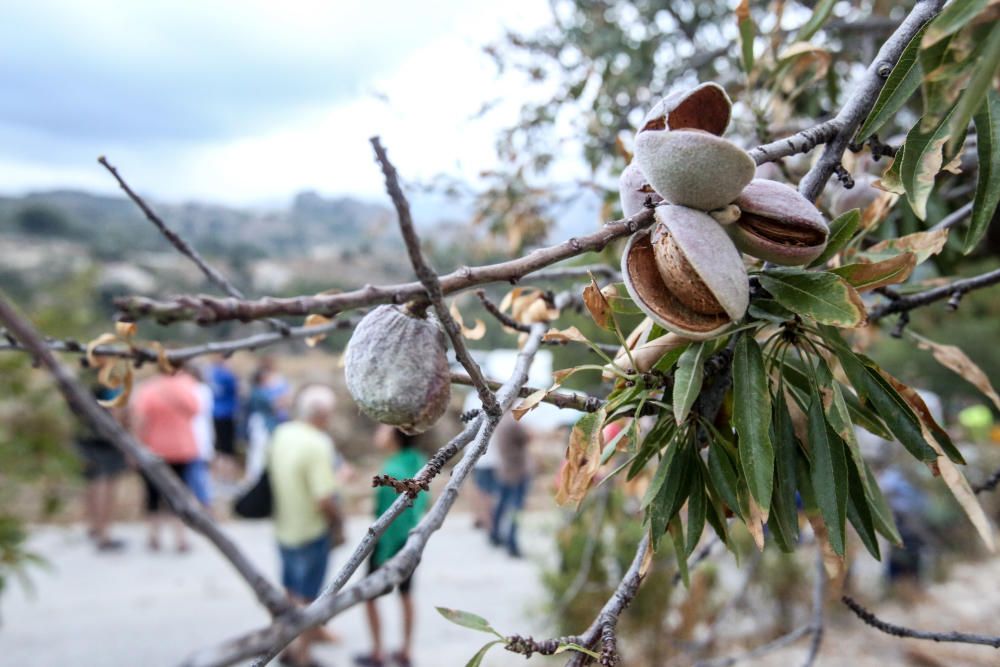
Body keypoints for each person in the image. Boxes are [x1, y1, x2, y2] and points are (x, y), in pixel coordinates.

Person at [269, 385, 342, 667]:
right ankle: (302, 656)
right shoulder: (318, 443)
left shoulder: (282, 433)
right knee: (310, 597)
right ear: (322, 414)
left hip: (284, 525)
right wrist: (338, 522)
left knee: (289, 590)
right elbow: (324, 497)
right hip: (311, 530)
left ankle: (286, 647)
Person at [356, 425, 428, 667]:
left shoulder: (392, 470)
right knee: (407, 594)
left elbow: (389, 519)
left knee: (369, 595)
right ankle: (406, 651)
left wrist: (382, 554)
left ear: (395, 436)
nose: (378, 432)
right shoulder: (419, 461)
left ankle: (378, 652)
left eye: (384, 429)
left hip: (389, 543)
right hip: (411, 541)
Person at [131, 368, 201, 552]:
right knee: (178, 492)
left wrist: (136, 446)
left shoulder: (148, 388)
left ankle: (154, 536)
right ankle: (180, 537)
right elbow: (196, 410)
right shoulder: (186, 385)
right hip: (181, 447)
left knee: (152, 494)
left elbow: (139, 418)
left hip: (154, 448)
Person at [76, 382, 128, 552]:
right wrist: (123, 435)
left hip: (84, 436)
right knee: (105, 484)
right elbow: (116, 409)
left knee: (92, 481)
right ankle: (104, 533)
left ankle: (93, 527)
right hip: (106, 439)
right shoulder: (109, 380)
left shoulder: (82, 379)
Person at [490, 414, 531, 557]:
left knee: (501, 504)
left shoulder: (501, 423)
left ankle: (495, 535)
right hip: (517, 471)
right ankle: (512, 544)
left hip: (505, 470)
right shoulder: (513, 424)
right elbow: (527, 437)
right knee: (516, 509)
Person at [185, 366, 215, 509]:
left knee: (197, 474)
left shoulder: (196, 390)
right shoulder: (202, 390)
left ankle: (204, 504)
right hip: (196, 436)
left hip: (195, 436)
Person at [207, 355, 239, 479]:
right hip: (227, 413)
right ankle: (227, 473)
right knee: (227, 445)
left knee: (218, 444)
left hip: (215, 412)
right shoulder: (227, 375)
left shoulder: (212, 374)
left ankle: (218, 472)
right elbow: (236, 391)